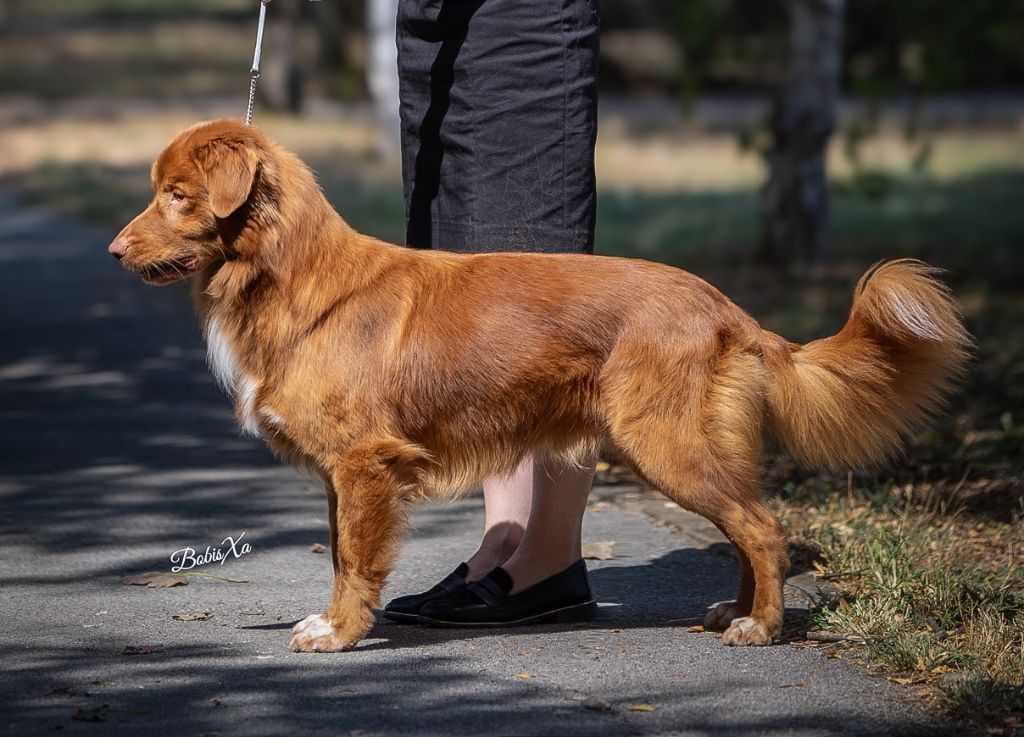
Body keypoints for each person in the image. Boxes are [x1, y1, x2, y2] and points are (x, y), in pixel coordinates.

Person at [266, 0, 601, 625]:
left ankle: (552, 557)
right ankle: (506, 539)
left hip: (521, 19)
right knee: (455, 257)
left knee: (531, 271)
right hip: (432, 26)